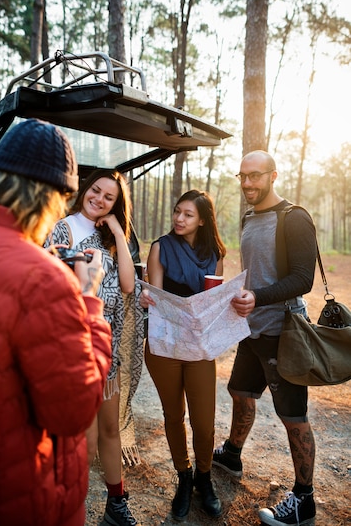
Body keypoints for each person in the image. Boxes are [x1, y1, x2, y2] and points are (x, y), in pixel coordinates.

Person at [0, 118, 112, 526]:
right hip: (16, 495)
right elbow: (73, 411)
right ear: (49, 198)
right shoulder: (42, 281)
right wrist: (85, 300)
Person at [212, 150, 317, 526]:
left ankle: (304, 499)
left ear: (273, 175)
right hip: (252, 328)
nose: (247, 184)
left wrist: (258, 297)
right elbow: (255, 272)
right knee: (240, 393)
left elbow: (302, 279)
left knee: (293, 415)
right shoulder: (249, 216)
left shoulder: (294, 218)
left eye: (255, 176)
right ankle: (232, 454)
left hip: (283, 331)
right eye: (242, 176)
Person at [45, 169, 144, 526]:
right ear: (84, 189)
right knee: (82, 443)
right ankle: (73, 509)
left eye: (109, 198)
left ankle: (116, 505)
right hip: (77, 351)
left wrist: (118, 230)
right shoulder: (63, 229)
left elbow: (129, 286)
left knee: (110, 430)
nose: (99, 199)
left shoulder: (110, 238)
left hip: (109, 350)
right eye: (96, 191)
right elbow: (49, 285)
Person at [141, 189, 226, 521]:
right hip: (164, 345)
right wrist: (147, 298)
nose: (179, 218)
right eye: (177, 211)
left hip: (200, 346)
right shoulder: (160, 247)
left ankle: (205, 479)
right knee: (173, 416)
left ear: (202, 220)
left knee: (203, 424)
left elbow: (215, 301)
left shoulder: (215, 253)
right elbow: (155, 295)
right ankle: (184, 476)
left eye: (188, 214)